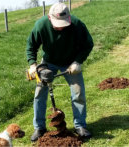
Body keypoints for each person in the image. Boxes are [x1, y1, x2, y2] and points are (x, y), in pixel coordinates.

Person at [26, 2, 94, 142]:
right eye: (58, 23)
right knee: (40, 93)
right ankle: (39, 127)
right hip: (49, 62)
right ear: (50, 18)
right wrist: (33, 65)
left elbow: (88, 44)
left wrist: (78, 62)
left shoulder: (77, 24)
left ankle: (80, 125)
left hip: (71, 62)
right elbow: (31, 45)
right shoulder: (41, 25)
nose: (61, 27)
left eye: (64, 23)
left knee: (78, 92)